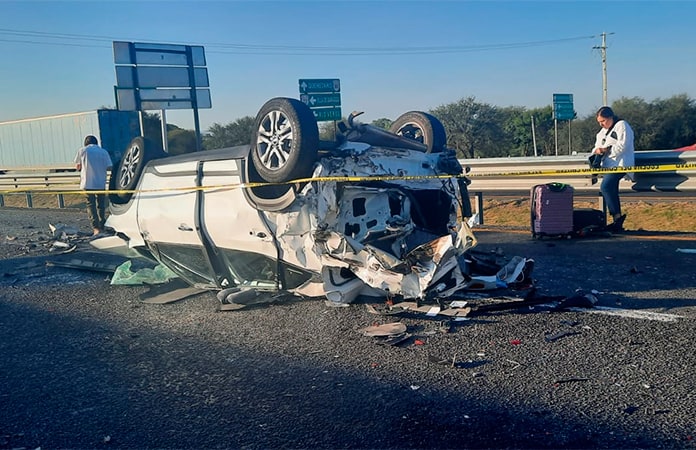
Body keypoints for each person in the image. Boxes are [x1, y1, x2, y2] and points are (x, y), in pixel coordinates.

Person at [591, 106, 635, 232]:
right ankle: (617, 220)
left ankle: (616, 217)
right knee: (611, 189)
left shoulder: (622, 125)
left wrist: (606, 150)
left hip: (620, 164)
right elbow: (595, 147)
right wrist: (598, 151)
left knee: (606, 187)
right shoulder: (601, 132)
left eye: (603, 121)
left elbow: (623, 146)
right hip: (608, 166)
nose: (601, 124)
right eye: (599, 122)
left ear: (610, 117)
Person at [74, 135, 113, 235]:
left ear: (86, 143)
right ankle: (102, 225)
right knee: (101, 205)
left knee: (91, 205)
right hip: (100, 182)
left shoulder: (82, 151)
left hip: (88, 182)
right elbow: (109, 166)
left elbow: (78, 167)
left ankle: (96, 228)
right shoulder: (103, 152)